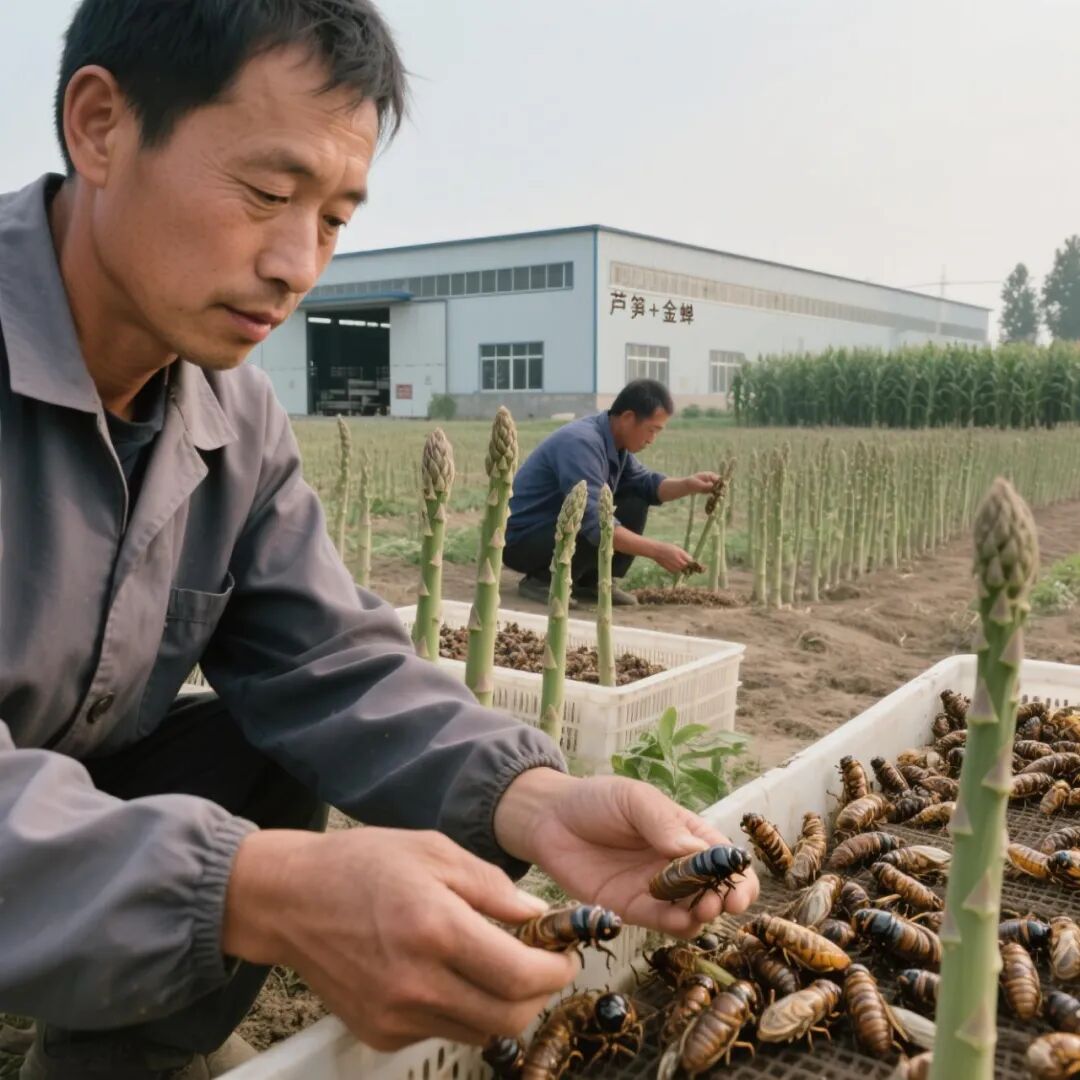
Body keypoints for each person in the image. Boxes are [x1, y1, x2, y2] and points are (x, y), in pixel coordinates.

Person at [0, 3, 758, 1079]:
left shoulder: (231, 415)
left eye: (336, 218)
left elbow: (327, 660)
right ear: (100, 125)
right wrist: (256, 888)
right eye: (268, 194)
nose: (298, 263)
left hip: (54, 797)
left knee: (257, 747)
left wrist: (531, 799)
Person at [504, 380, 721, 606]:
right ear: (628, 418)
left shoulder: (616, 445)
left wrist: (689, 484)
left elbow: (647, 484)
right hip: (523, 541)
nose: (652, 439)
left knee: (636, 499)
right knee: (595, 519)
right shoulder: (581, 443)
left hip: (553, 528)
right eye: (651, 430)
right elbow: (597, 522)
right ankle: (544, 579)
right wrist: (658, 551)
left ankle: (595, 580)